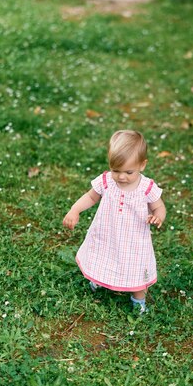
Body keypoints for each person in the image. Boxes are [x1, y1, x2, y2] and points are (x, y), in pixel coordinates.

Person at [63, 130, 166, 313]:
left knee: (136, 268)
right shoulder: (106, 181)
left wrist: (158, 216)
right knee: (102, 256)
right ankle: (100, 279)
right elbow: (91, 197)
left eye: (128, 172)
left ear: (142, 165)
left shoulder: (146, 187)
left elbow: (159, 207)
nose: (121, 177)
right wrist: (75, 209)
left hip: (134, 240)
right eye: (115, 170)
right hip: (107, 232)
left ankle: (138, 300)